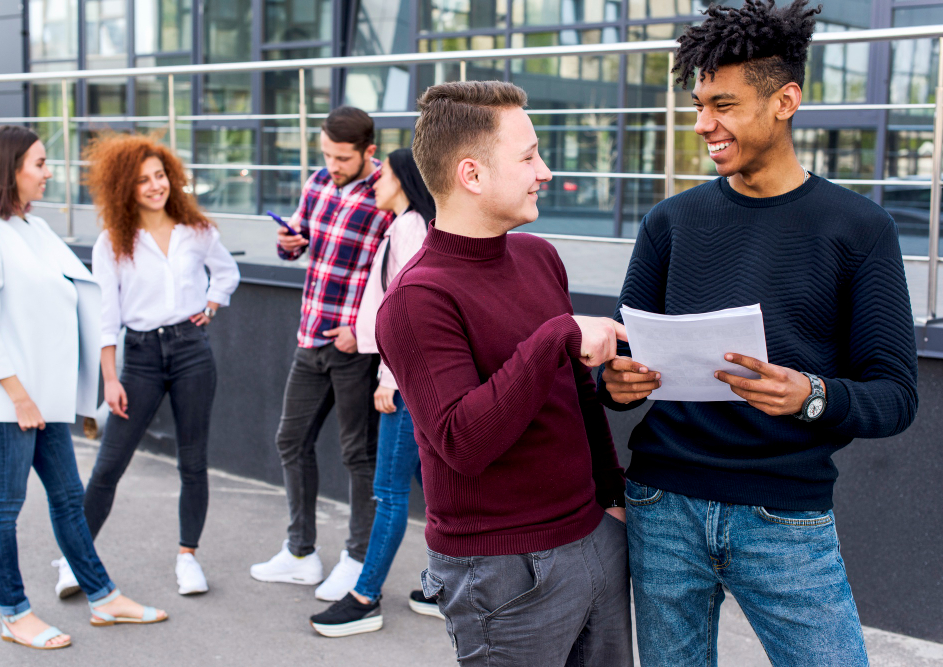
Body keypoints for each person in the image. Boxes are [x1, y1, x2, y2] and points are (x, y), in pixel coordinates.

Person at [598, 2, 919, 665]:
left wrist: (811, 394)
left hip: (784, 517)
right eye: (697, 104)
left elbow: (895, 394)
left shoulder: (859, 228)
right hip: (663, 504)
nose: (702, 124)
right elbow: (622, 366)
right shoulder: (669, 222)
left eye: (723, 104)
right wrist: (617, 382)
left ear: (785, 100)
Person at [375, 81, 633, 666]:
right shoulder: (418, 298)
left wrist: (611, 499)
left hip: (592, 533)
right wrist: (554, 337)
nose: (544, 170)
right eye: (528, 156)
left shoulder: (540, 256)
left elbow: (577, 398)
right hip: (504, 572)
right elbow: (464, 442)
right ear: (472, 174)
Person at [0, 125, 167, 651]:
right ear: (10, 170)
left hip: (44, 397)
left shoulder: (34, 229)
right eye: (40, 163)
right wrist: (20, 397)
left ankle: (103, 597)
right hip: (11, 400)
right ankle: (14, 613)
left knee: (69, 501)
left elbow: (80, 293)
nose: (49, 172)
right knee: (4, 507)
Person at [51, 133, 240, 598]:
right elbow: (105, 315)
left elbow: (228, 272)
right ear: (125, 187)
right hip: (138, 358)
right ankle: (76, 559)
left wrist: (212, 304)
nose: (155, 186)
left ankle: (187, 557)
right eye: (142, 180)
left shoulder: (196, 230)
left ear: (171, 177)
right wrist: (109, 379)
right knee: (109, 465)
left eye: (159, 176)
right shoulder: (113, 240)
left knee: (193, 462)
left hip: (192, 350)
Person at [250, 107, 395, 602]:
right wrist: (289, 242)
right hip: (309, 336)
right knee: (290, 441)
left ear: (368, 153)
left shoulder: (386, 196)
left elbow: (399, 276)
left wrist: (362, 328)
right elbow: (296, 245)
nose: (332, 164)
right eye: (327, 154)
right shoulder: (316, 183)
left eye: (342, 157)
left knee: (358, 455)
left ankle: (356, 562)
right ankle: (299, 554)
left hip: (353, 348)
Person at [309, 148, 439, 637]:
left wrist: (389, 378)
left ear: (404, 178)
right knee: (432, 488)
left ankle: (365, 598)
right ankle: (447, 585)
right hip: (410, 378)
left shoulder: (410, 228)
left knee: (388, 493)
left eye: (381, 174)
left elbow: (406, 312)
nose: (374, 182)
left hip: (403, 382)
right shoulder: (408, 225)